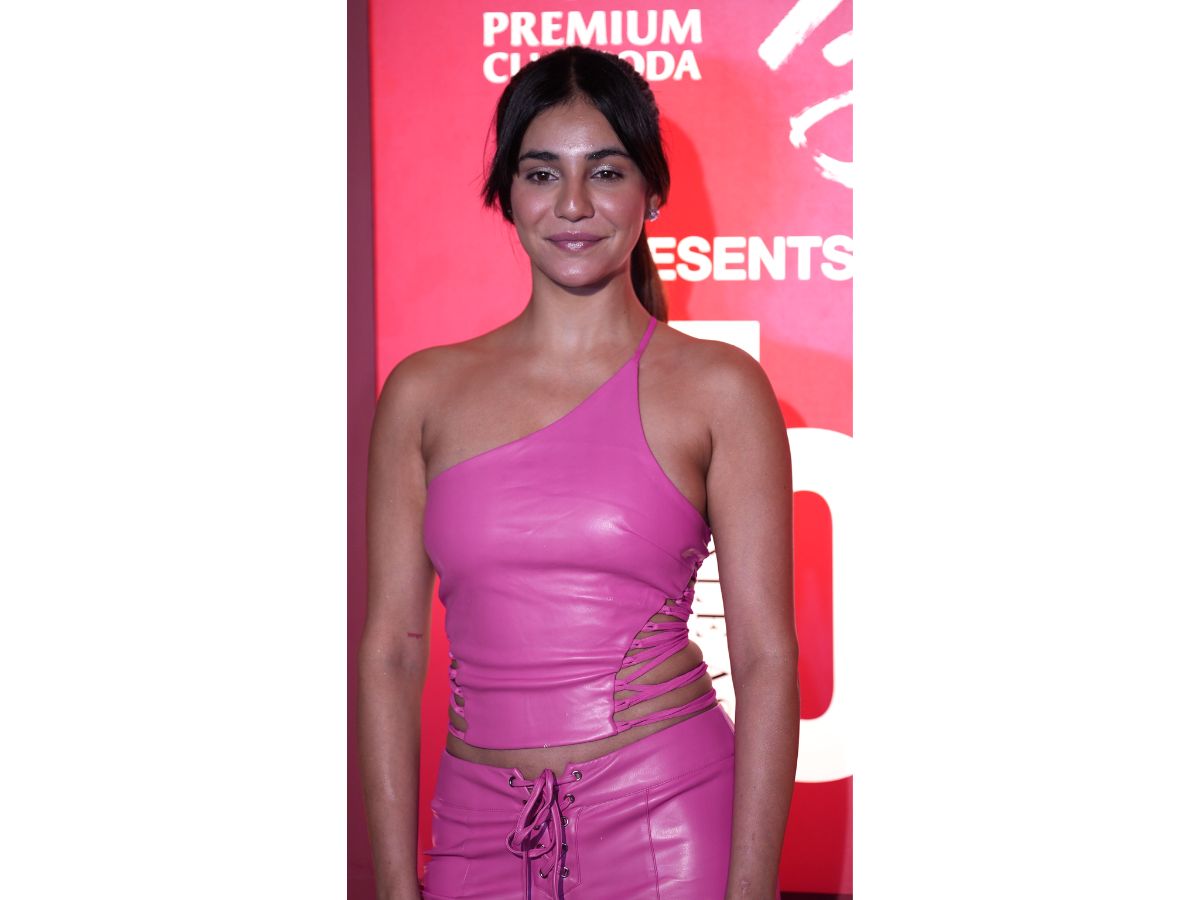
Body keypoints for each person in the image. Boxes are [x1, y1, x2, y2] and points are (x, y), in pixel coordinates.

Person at [359, 46, 798, 900]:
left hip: (671, 829)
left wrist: (751, 890)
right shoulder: (421, 393)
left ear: (652, 192)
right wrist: (391, 885)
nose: (571, 205)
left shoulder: (718, 388)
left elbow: (766, 657)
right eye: (540, 173)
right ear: (505, 192)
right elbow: (390, 655)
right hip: (476, 837)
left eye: (605, 171)